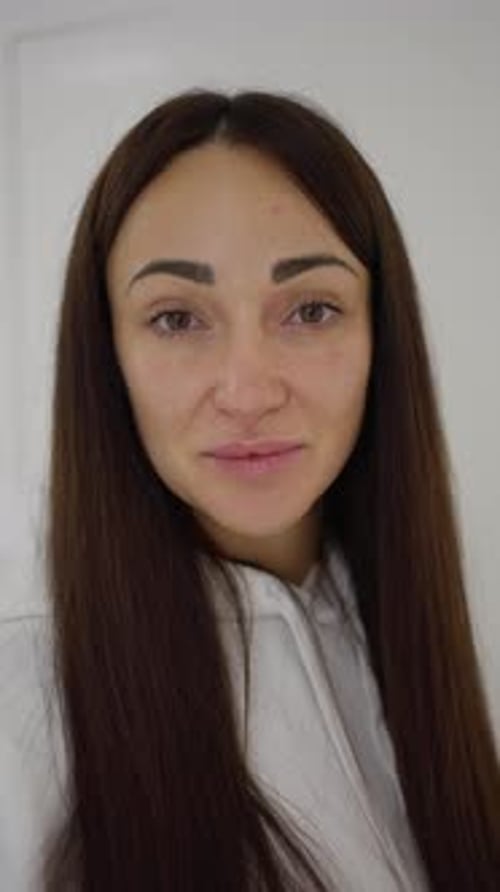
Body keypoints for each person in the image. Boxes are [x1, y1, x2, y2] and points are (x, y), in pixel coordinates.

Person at [0, 87, 498, 892]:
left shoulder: (436, 621)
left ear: (381, 334)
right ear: (107, 356)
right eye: (176, 319)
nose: (248, 391)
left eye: (311, 310)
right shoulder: (18, 672)